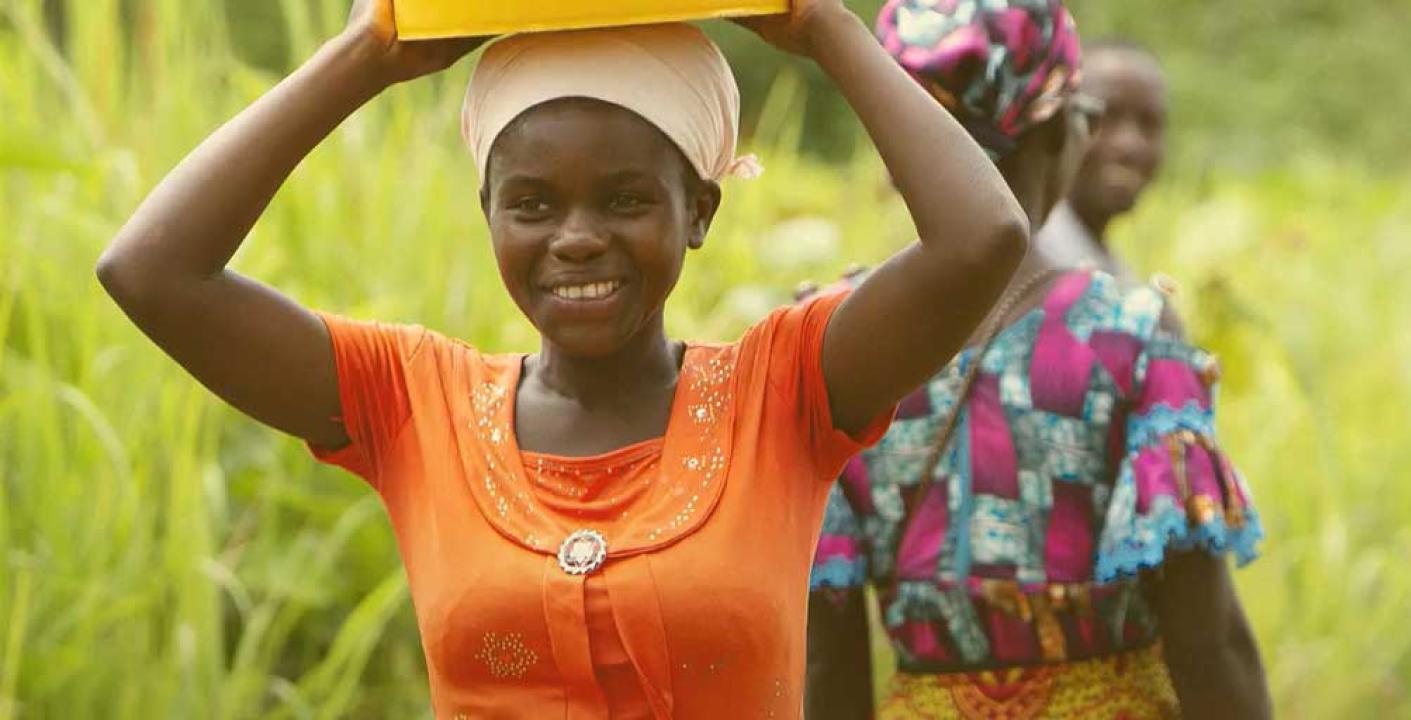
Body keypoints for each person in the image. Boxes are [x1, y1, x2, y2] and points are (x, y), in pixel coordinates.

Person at [97, 0, 1034, 716]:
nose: (576, 239)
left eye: (626, 200)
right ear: (489, 217)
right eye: (534, 204)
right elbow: (153, 272)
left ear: (699, 211)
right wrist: (365, 56)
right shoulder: (412, 402)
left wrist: (827, 28)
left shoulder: (783, 389)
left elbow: (980, 240)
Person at [804, 2, 1271, 719]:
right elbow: (1209, 642)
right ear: (1061, 129)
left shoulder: (831, 340)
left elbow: (825, 658)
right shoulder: (1129, 334)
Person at [1037, 39, 1169, 285]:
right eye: (1106, 116)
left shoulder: (1120, 277)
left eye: (1149, 122)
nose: (1129, 146)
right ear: (1059, 123)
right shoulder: (1030, 263)